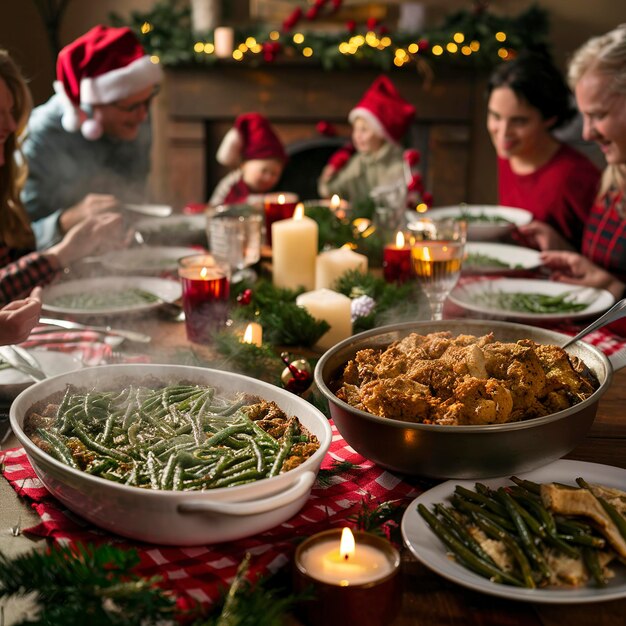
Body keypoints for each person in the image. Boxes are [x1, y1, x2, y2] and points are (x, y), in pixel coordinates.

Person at [0, 49, 124, 307]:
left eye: (11, 111)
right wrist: (60, 254)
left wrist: (82, 243)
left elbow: (18, 254)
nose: (12, 125)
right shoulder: (43, 138)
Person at [21, 25, 163, 249]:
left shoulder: (137, 116)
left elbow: (136, 195)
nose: (143, 115)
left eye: (148, 101)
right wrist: (67, 219)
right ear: (93, 102)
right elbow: (18, 241)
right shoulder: (40, 138)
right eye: (132, 106)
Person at [539, 25, 626, 305]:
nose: (587, 134)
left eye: (598, 115)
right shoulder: (615, 177)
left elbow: (616, 283)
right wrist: (565, 251)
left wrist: (614, 290)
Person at [486, 51, 601, 250]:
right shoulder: (508, 155)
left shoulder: (576, 175)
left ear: (549, 118)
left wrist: (561, 247)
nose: (503, 133)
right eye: (495, 116)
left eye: (519, 121)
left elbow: (607, 264)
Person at [317, 75, 416, 203]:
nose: (357, 136)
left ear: (381, 134)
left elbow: (408, 202)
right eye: (355, 130)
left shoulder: (400, 165)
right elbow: (331, 191)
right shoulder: (359, 161)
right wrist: (329, 175)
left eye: (364, 130)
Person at [209, 112, 287, 206]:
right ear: (244, 166)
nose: (268, 177)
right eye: (263, 171)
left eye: (275, 174)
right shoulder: (232, 184)